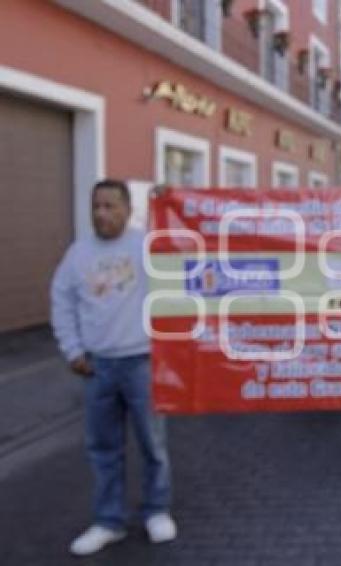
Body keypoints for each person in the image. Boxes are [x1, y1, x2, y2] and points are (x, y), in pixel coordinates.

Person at [51, 179, 176, 556]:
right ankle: (109, 521)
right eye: (97, 207)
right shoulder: (78, 254)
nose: (102, 214)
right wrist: (72, 350)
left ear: (126, 209)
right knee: (103, 448)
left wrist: (173, 204)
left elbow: (178, 268)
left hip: (142, 362)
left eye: (110, 206)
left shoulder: (145, 246)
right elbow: (61, 301)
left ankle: (157, 511)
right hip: (97, 368)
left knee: (153, 445)